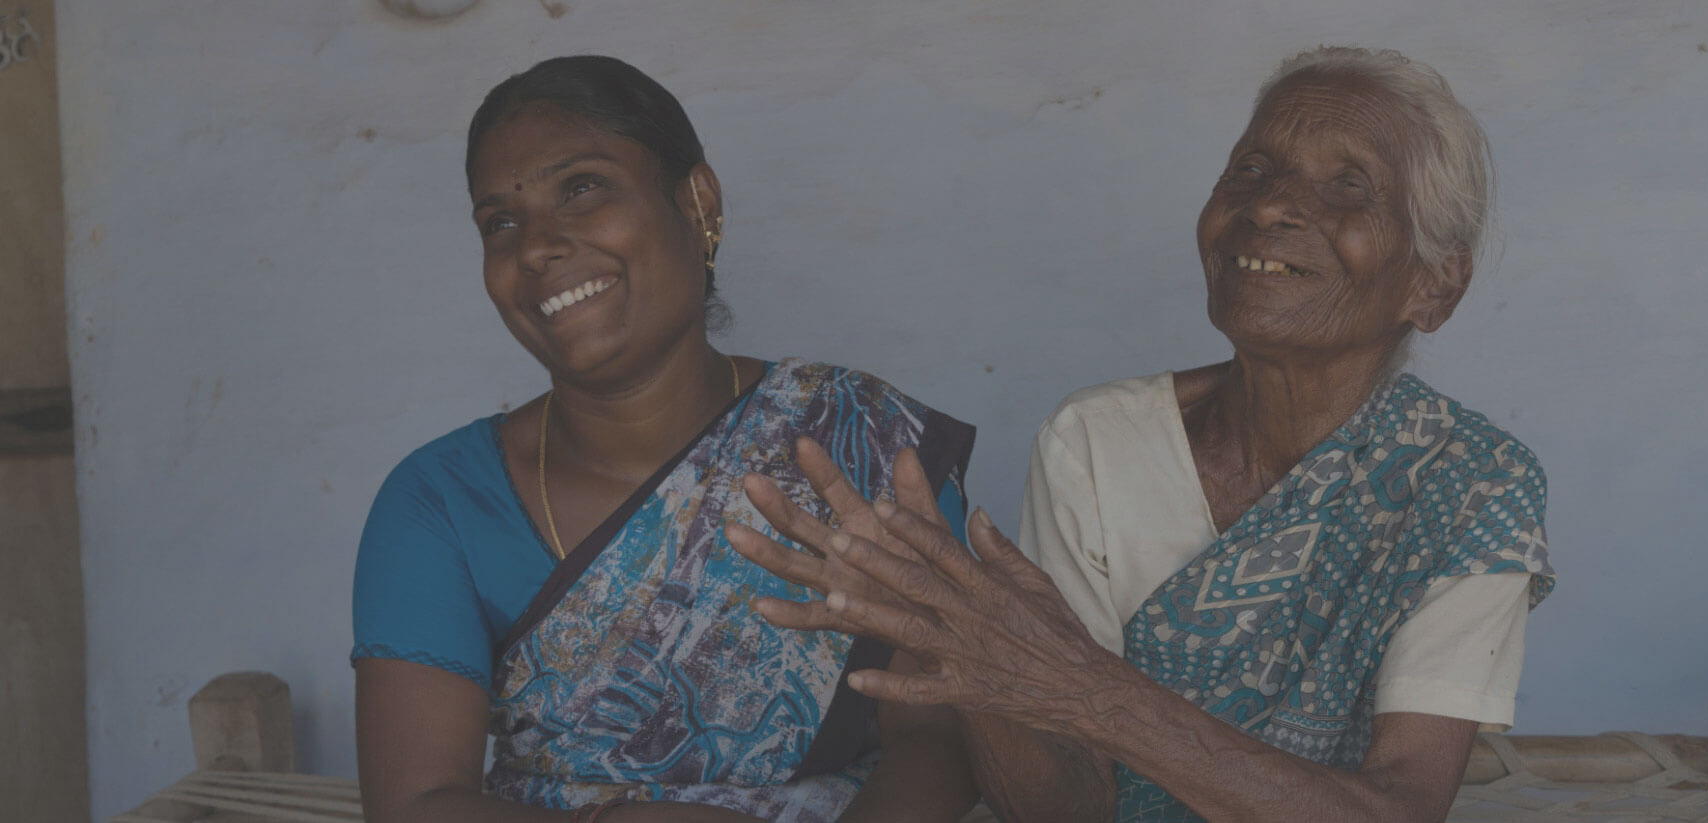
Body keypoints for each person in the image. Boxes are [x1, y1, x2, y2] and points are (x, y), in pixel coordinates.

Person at [733, 46, 1555, 822]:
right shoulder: (1096, 439)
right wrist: (986, 670)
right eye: (1252, 170)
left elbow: (1399, 809)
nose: (1269, 204)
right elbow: (1068, 807)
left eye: (1349, 184)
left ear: (1435, 284)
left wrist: (1081, 687)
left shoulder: (1473, 484)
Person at [350, 55, 980, 823]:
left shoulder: (861, 439)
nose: (536, 246)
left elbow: (934, 735)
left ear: (697, 200)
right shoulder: (442, 500)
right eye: (500, 223)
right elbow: (414, 803)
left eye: (580, 188)